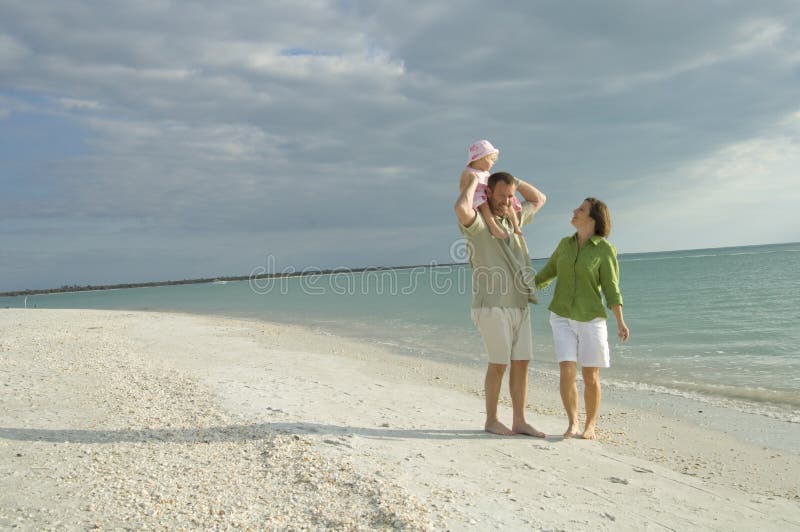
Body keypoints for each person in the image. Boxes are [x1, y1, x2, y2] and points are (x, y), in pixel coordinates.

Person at [454, 170, 547, 436]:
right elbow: (461, 207)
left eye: (511, 196)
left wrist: (517, 181)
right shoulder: (480, 226)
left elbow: (539, 198)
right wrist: (475, 182)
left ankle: (519, 420)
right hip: (492, 305)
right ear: (489, 194)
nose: (507, 201)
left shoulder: (513, 220)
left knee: (521, 362)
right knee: (499, 364)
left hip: (519, 304)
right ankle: (492, 419)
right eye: (502, 195)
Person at [534, 198, 630, 440]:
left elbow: (611, 287)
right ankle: (573, 423)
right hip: (562, 315)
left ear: (593, 219)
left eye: (581, 209)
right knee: (566, 370)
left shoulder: (604, 249)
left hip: (591, 318)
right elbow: (547, 273)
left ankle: (590, 424)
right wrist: (522, 288)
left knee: (590, 376)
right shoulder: (564, 245)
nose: (575, 211)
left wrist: (620, 320)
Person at [459, 140, 522, 240]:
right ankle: (493, 227)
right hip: (478, 197)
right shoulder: (468, 172)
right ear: (480, 159)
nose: (493, 163)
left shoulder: (485, 172)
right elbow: (463, 188)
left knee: (509, 203)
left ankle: (516, 226)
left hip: (488, 194)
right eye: (491, 160)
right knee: (483, 205)